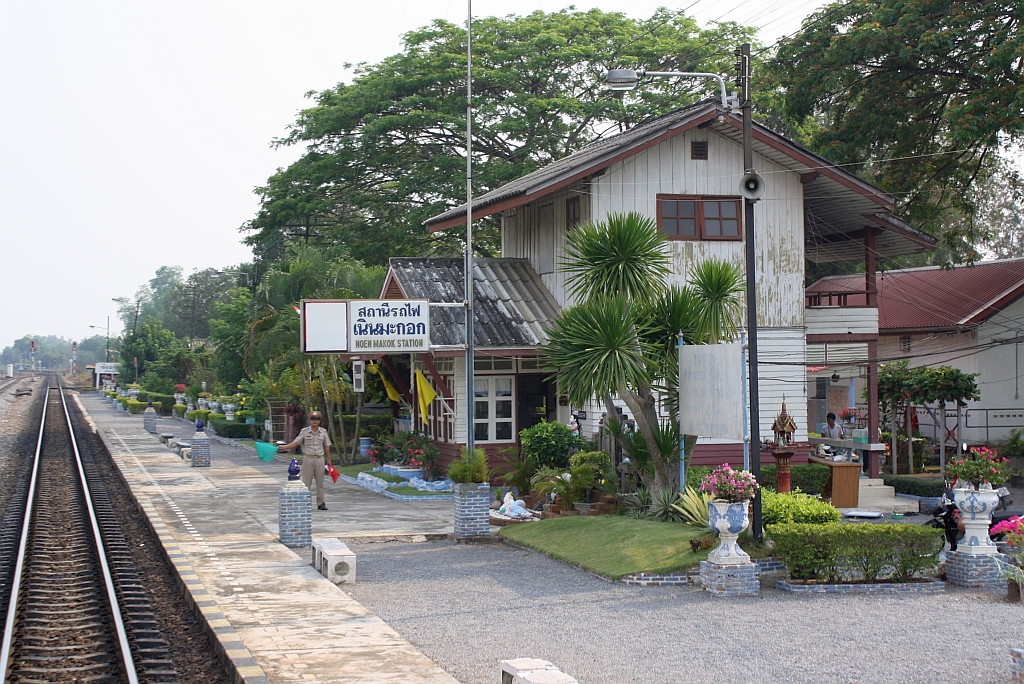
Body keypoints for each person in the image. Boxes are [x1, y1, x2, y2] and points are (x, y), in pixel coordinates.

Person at [279, 411, 333, 510]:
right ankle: (306, 503)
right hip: (308, 459)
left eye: (317, 419)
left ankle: (321, 503)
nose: (315, 421)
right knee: (306, 483)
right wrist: (285, 447)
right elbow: (296, 443)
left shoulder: (323, 432)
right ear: (310, 420)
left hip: (320, 459)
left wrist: (329, 460)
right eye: (313, 419)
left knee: (320, 483)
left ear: (320, 421)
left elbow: (327, 446)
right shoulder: (305, 431)